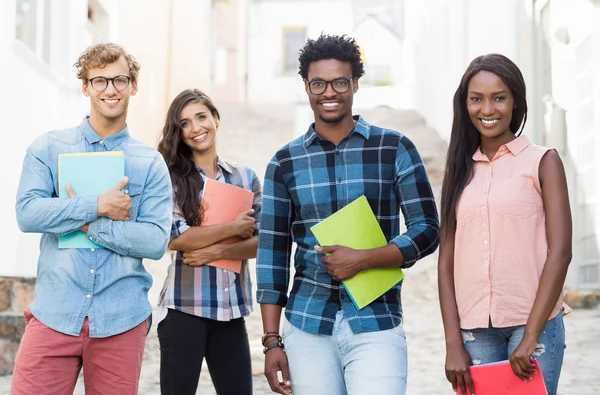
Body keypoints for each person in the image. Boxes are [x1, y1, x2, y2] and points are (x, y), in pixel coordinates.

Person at [256, 34, 440, 395]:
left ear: (355, 83)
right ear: (306, 87)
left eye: (340, 82)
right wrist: (272, 342)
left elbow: (427, 229)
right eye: (318, 83)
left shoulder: (394, 148)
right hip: (308, 324)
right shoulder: (284, 162)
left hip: (377, 320)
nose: (329, 92)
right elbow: (272, 257)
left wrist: (365, 259)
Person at [13, 42, 173, 394]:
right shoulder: (48, 148)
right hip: (54, 313)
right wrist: (97, 205)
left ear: (134, 85)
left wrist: (88, 224)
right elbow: (27, 213)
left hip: (121, 319)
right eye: (99, 81)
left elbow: (155, 241)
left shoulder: (150, 163)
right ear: (85, 87)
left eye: (119, 79)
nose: (110, 89)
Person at [438, 53, 572, 395]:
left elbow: (561, 253)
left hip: (535, 323)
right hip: (474, 330)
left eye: (499, 98)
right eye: (476, 99)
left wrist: (530, 335)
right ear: (464, 104)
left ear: (515, 102)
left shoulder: (543, 161)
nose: (487, 109)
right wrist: (453, 343)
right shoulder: (459, 169)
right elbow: (446, 263)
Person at [156, 89, 262, 395]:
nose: (196, 128)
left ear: (215, 119)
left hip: (230, 312)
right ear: (179, 133)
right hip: (183, 310)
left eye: (201, 117)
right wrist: (233, 227)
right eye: (185, 123)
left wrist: (217, 250)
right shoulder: (173, 179)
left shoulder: (245, 178)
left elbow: (264, 241)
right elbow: (176, 238)